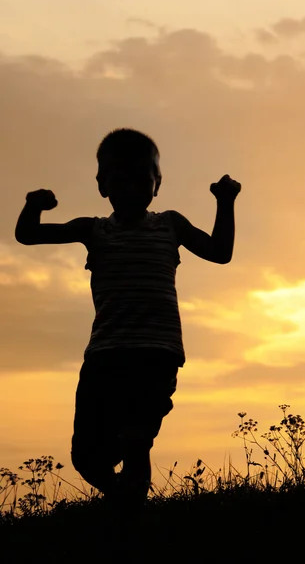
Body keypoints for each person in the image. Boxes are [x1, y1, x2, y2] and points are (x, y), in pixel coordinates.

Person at [14, 128, 241, 507]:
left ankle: (131, 510)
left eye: (142, 179)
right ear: (103, 185)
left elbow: (220, 252)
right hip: (105, 354)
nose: (132, 188)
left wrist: (225, 201)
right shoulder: (94, 230)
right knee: (86, 458)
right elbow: (28, 235)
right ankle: (125, 499)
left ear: (158, 184)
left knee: (136, 439)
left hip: (157, 352)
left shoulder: (171, 224)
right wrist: (33, 204)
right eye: (120, 180)